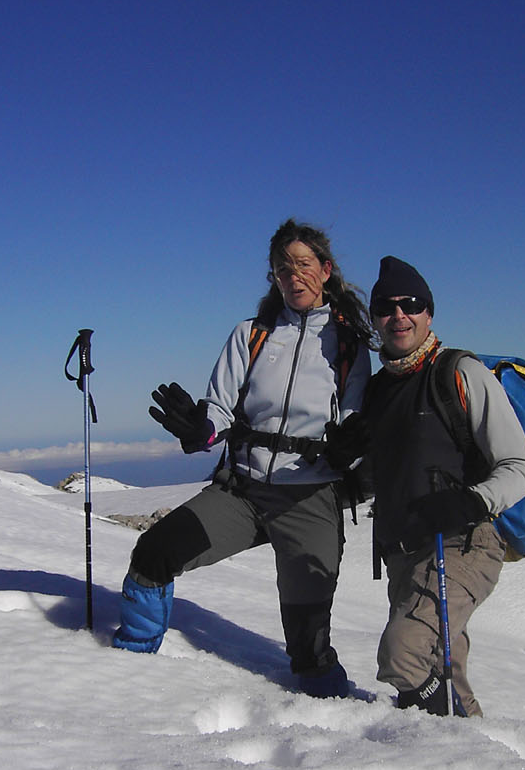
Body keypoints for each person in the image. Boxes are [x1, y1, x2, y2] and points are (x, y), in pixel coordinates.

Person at [112, 219, 373, 698]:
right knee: (154, 553)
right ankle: (128, 664)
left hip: (309, 497)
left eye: (303, 265)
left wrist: (348, 447)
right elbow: (220, 406)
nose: (293, 276)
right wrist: (203, 429)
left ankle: (341, 716)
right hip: (242, 491)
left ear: (325, 270)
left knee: (309, 646)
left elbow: (354, 416)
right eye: (282, 268)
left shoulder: (347, 345)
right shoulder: (251, 335)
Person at [353, 256, 525, 715]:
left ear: (429, 313)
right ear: (375, 319)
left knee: (404, 653)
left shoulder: (458, 373)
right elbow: (382, 471)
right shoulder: (379, 390)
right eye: (386, 307)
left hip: (463, 542)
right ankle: (467, 746)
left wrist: (471, 502)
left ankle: (433, 741)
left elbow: (521, 466)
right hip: (403, 551)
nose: (399, 315)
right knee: (441, 667)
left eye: (411, 304)